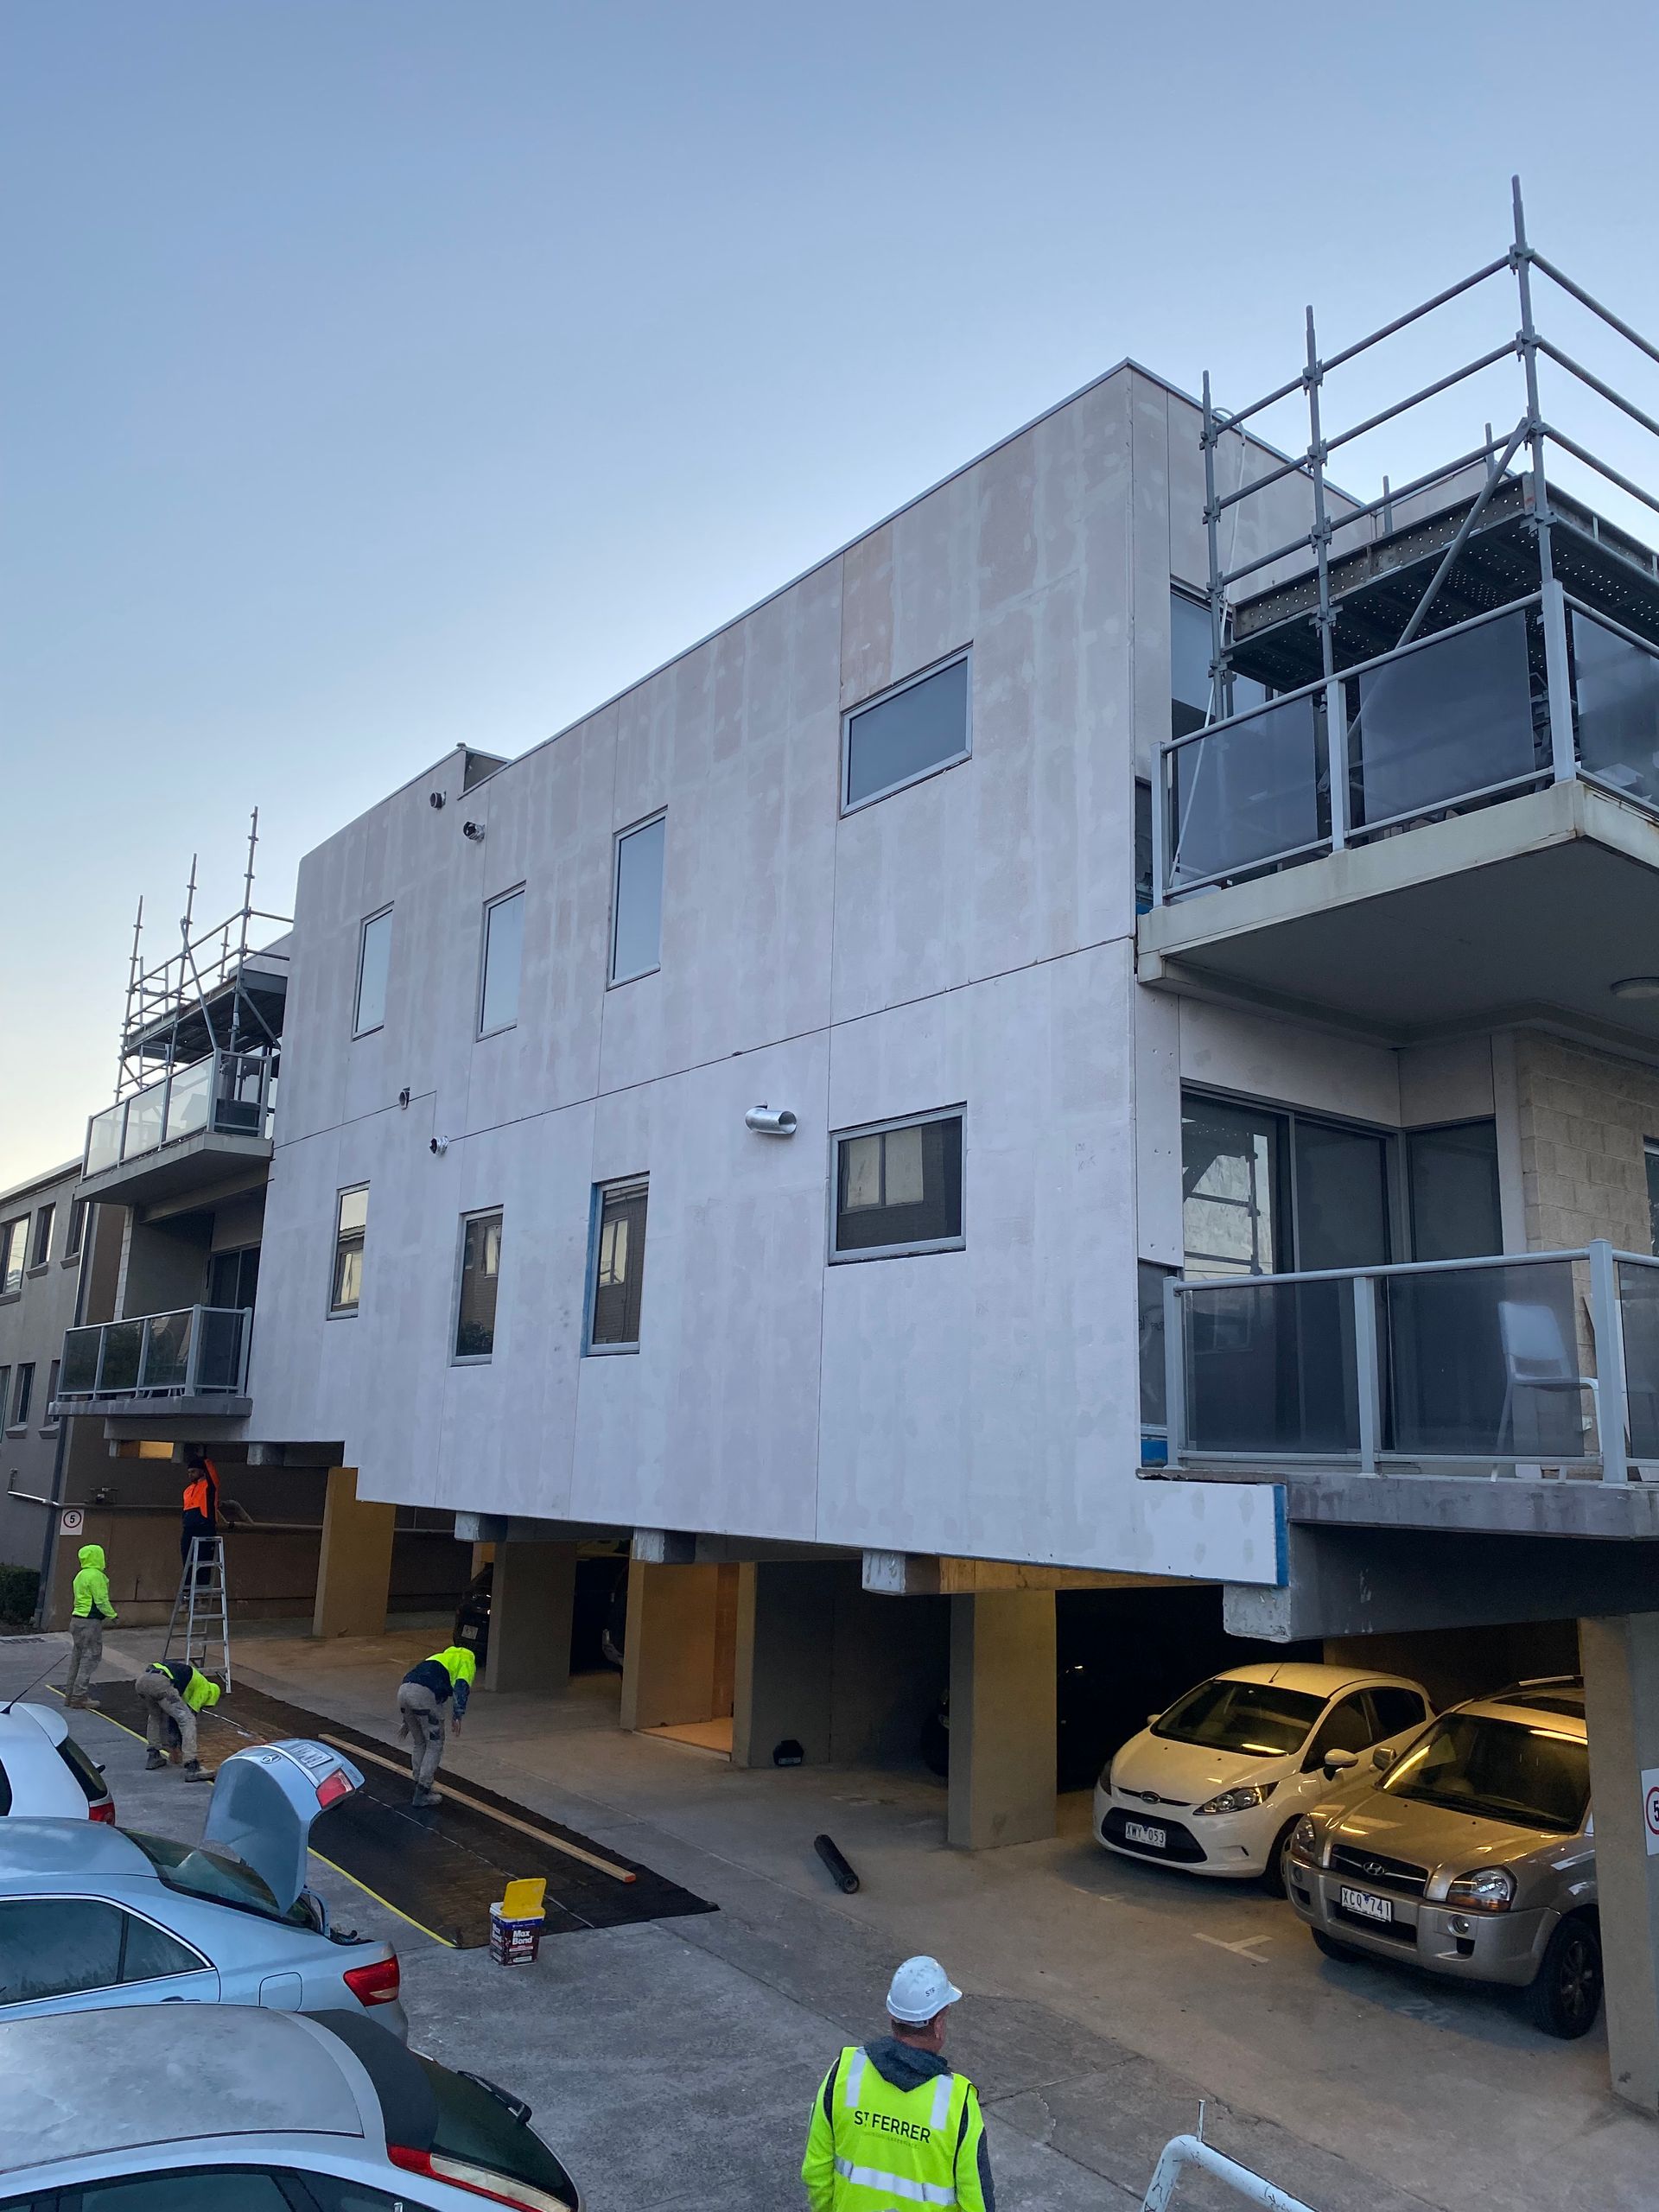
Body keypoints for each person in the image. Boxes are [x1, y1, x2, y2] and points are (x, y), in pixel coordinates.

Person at [803, 1955, 993, 2212]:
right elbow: (977, 2202)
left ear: (892, 2015)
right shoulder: (956, 2102)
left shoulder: (844, 2073)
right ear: (938, 2025)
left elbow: (816, 2169)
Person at [397, 1643, 476, 1808]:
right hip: (424, 1697)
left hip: (403, 1691)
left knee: (420, 1743)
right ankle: (423, 1791)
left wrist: (407, 1721)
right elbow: (461, 1686)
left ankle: (418, 1781)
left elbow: (417, 1681)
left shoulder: (439, 1657)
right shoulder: (467, 1660)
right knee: (435, 1744)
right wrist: (458, 1714)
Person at [135, 1657, 221, 1782]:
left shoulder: (191, 1680)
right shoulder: (205, 1689)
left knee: (154, 1717)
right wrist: (175, 1747)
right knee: (188, 1720)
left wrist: (174, 1746)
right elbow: (183, 1718)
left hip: (143, 1680)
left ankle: (153, 1756)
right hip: (160, 1683)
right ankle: (192, 1766)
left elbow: (173, 1715)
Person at [63, 1542, 118, 1709]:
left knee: (77, 1657)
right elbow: (101, 1600)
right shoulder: (96, 1576)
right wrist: (113, 1615)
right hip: (90, 1622)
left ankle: (70, 1695)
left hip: (76, 1619)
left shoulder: (80, 1575)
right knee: (91, 1657)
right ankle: (79, 1696)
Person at [179, 1452, 219, 1585]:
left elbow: (213, 1475)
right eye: (189, 1472)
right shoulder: (188, 1490)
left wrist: (204, 1458)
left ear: (202, 1471)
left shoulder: (209, 1486)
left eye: (193, 1471)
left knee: (203, 1562)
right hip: (189, 1529)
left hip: (204, 1527)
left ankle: (202, 1595)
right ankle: (187, 1594)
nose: (190, 1475)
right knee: (187, 1561)